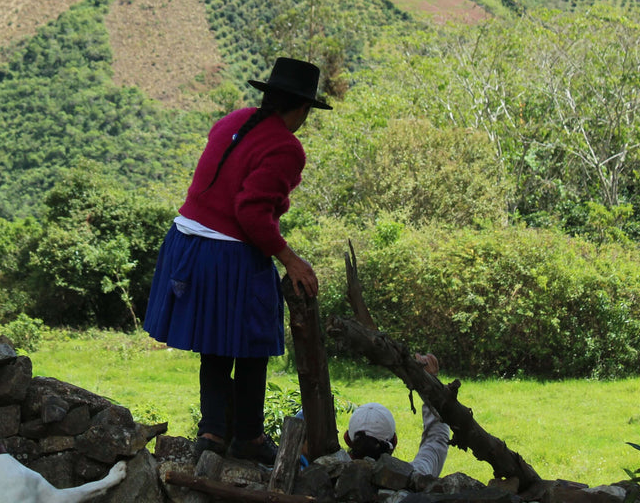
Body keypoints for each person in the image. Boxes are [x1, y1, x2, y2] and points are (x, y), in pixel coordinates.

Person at [142, 57, 329, 466]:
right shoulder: (286, 147)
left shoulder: (236, 120)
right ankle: (247, 435)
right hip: (228, 253)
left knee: (216, 343)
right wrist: (291, 260)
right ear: (300, 109)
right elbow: (250, 212)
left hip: (188, 244)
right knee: (252, 343)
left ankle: (212, 433)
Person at [342, 353, 450, 477]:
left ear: (347, 438)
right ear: (394, 442)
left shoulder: (327, 478)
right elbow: (436, 440)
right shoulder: (415, 476)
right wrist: (430, 380)